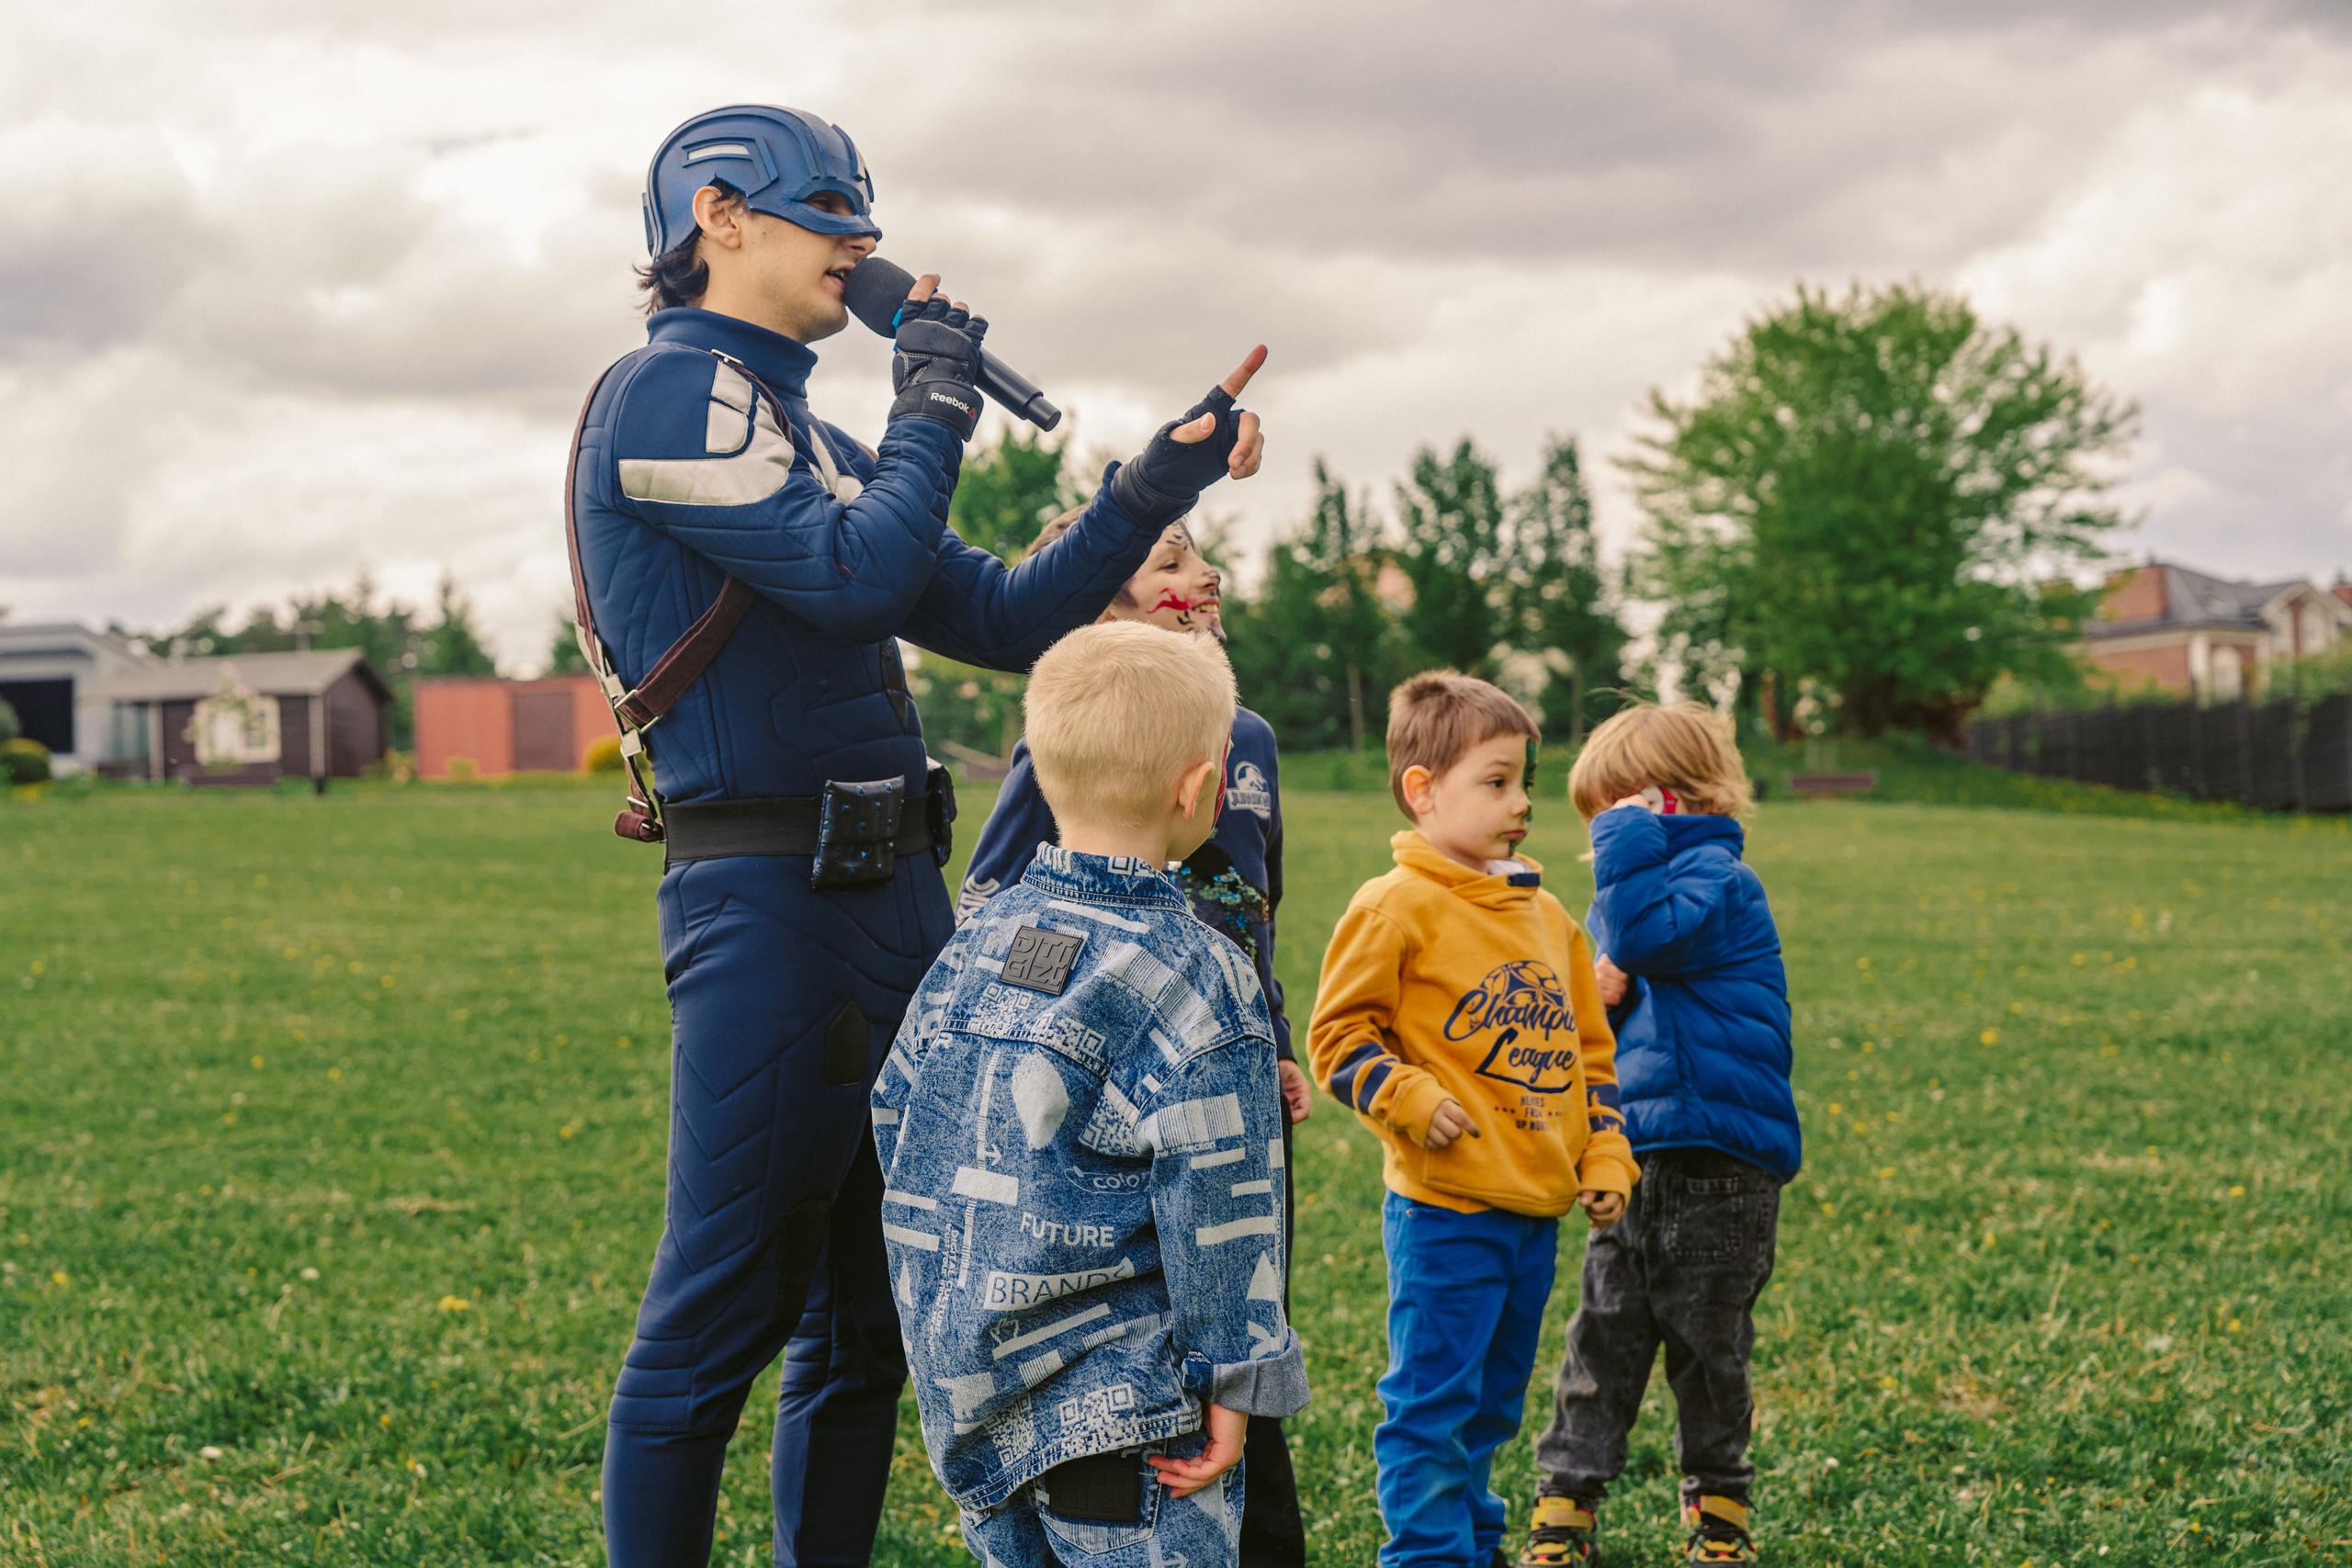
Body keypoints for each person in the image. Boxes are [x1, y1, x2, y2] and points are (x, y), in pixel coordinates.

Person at [565, 104, 1267, 1568]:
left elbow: (1002, 616)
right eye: (833, 219)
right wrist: (933, 400)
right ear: (719, 213)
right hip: (770, 895)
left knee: (873, 1316)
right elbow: (851, 572)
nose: (862, 251)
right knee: (723, 1306)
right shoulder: (664, 392)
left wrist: (1158, 482)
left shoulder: (801, 424)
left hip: (898, 898)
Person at [874, 620, 1309, 1566]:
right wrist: (1237, 1385)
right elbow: (1222, 1211)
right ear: (1197, 789)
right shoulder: (1202, 974)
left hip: (971, 1410)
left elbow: (896, 1123)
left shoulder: (973, 947)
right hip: (1134, 1430)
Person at [1307, 671, 1638, 1568]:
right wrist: (1408, 1096)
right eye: (1495, 783)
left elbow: (1589, 1055)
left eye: (1523, 781)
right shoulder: (1395, 905)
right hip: (1446, 1211)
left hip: (1533, 1214)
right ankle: (1426, 1556)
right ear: (1423, 791)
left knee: (1492, 1402)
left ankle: (1475, 1541)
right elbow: (1336, 1036)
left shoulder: (1549, 919)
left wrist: (1604, 1155)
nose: (1522, 803)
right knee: (1431, 1402)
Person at [1516, 704, 1799, 1568]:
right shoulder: (1641, 896)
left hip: (1721, 1163)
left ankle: (1719, 1509)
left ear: (1659, 805)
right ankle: (1566, 1501)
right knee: (1604, 1337)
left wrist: (1626, 843)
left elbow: (1644, 935)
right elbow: (1632, 999)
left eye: (1613, 813)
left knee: (1710, 1349)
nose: (1598, 837)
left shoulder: (1717, 879)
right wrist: (1609, 996)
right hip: (1636, 1154)